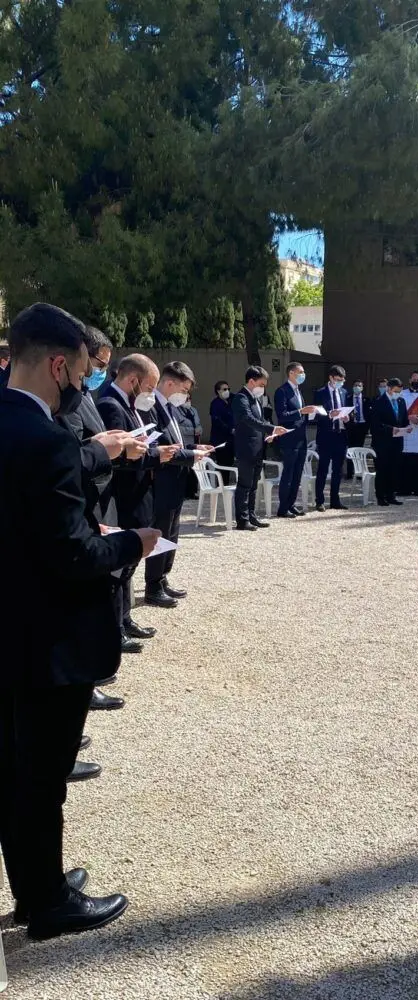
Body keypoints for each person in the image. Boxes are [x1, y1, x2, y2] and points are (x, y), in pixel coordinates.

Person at [0, 302, 160, 941]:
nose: (82, 384)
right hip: (48, 638)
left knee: (12, 771)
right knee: (43, 777)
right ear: (58, 366)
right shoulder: (47, 442)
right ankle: (46, 904)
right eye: (81, 371)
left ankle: (35, 884)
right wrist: (131, 544)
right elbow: (73, 556)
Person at [62, 326, 150, 718]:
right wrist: (105, 449)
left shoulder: (82, 396)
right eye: (95, 366)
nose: (95, 374)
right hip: (84, 505)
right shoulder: (61, 402)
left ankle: (87, 683)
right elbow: (68, 456)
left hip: (98, 502)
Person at [98, 355, 179, 644]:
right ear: (133, 380)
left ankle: (125, 618)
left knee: (129, 564)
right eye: (149, 388)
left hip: (138, 492)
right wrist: (155, 455)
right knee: (119, 567)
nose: (151, 395)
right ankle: (116, 628)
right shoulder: (110, 404)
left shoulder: (129, 404)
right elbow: (117, 457)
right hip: (124, 495)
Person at [144, 361, 214, 607]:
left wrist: (195, 448)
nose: (185, 396)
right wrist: (190, 455)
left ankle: (163, 578)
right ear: (169, 383)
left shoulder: (170, 408)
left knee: (172, 531)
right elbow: (159, 449)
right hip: (161, 480)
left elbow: (176, 443)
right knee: (159, 532)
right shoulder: (151, 407)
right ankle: (153, 585)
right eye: (183, 390)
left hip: (176, 481)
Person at [232, 366, 286, 530]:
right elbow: (248, 419)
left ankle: (251, 515)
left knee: (254, 485)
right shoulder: (241, 398)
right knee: (244, 485)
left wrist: (268, 434)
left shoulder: (255, 399)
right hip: (246, 448)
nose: (263, 388)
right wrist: (271, 428)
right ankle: (242, 519)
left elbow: (260, 421)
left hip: (257, 448)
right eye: (261, 385)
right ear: (251, 381)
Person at [274, 361, 318, 518]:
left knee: (297, 474)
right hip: (289, 439)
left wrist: (311, 413)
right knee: (288, 474)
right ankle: (283, 508)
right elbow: (282, 415)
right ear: (291, 373)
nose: (303, 375)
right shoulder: (282, 391)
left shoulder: (299, 391)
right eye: (300, 372)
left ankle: (291, 504)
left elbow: (301, 414)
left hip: (301, 438)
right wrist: (301, 411)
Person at [314, 364, 350, 511]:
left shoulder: (344, 392)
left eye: (342, 380)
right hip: (326, 436)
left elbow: (348, 410)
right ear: (331, 378)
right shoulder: (320, 393)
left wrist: (348, 418)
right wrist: (329, 415)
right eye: (338, 379)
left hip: (340, 435)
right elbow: (316, 415)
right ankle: (319, 501)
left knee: (338, 470)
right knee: (323, 469)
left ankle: (335, 500)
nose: (340, 382)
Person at [370, 377, 411, 506]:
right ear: (389, 389)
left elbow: (404, 419)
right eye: (396, 391)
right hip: (382, 442)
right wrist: (391, 429)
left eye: (399, 391)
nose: (398, 394)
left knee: (394, 469)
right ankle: (381, 496)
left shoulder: (401, 401)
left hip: (397, 442)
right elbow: (375, 425)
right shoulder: (378, 402)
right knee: (382, 470)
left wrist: (407, 427)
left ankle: (391, 495)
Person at [345, 377, 371, 480]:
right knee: (350, 449)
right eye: (355, 385)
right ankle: (349, 472)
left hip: (362, 426)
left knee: (360, 450)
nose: (357, 387)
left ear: (362, 387)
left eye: (359, 386)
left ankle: (359, 472)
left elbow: (369, 414)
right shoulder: (347, 398)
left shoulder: (367, 399)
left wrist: (367, 426)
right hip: (351, 426)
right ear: (352, 387)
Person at [209, 380, 234, 465]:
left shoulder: (230, 401)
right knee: (223, 462)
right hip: (220, 439)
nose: (227, 391)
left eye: (228, 389)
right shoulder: (215, 404)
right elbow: (217, 421)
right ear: (218, 391)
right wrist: (230, 430)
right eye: (224, 389)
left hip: (230, 439)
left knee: (230, 462)